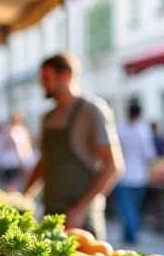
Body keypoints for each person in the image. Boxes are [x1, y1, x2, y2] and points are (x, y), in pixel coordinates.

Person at [23, 53, 124, 241]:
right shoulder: (48, 117)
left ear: (65, 77)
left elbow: (113, 166)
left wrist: (80, 209)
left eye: (46, 78)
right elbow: (45, 161)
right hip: (51, 213)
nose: (41, 83)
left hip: (81, 218)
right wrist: (25, 196)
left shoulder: (92, 111)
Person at [115, 103, 158, 244]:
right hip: (140, 175)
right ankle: (133, 233)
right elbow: (149, 154)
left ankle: (130, 233)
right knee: (135, 207)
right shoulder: (144, 131)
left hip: (123, 175)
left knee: (126, 207)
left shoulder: (120, 130)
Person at [0, 114, 33, 192]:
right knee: (11, 182)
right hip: (12, 161)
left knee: (16, 182)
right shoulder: (10, 131)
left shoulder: (19, 131)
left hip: (17, 160)